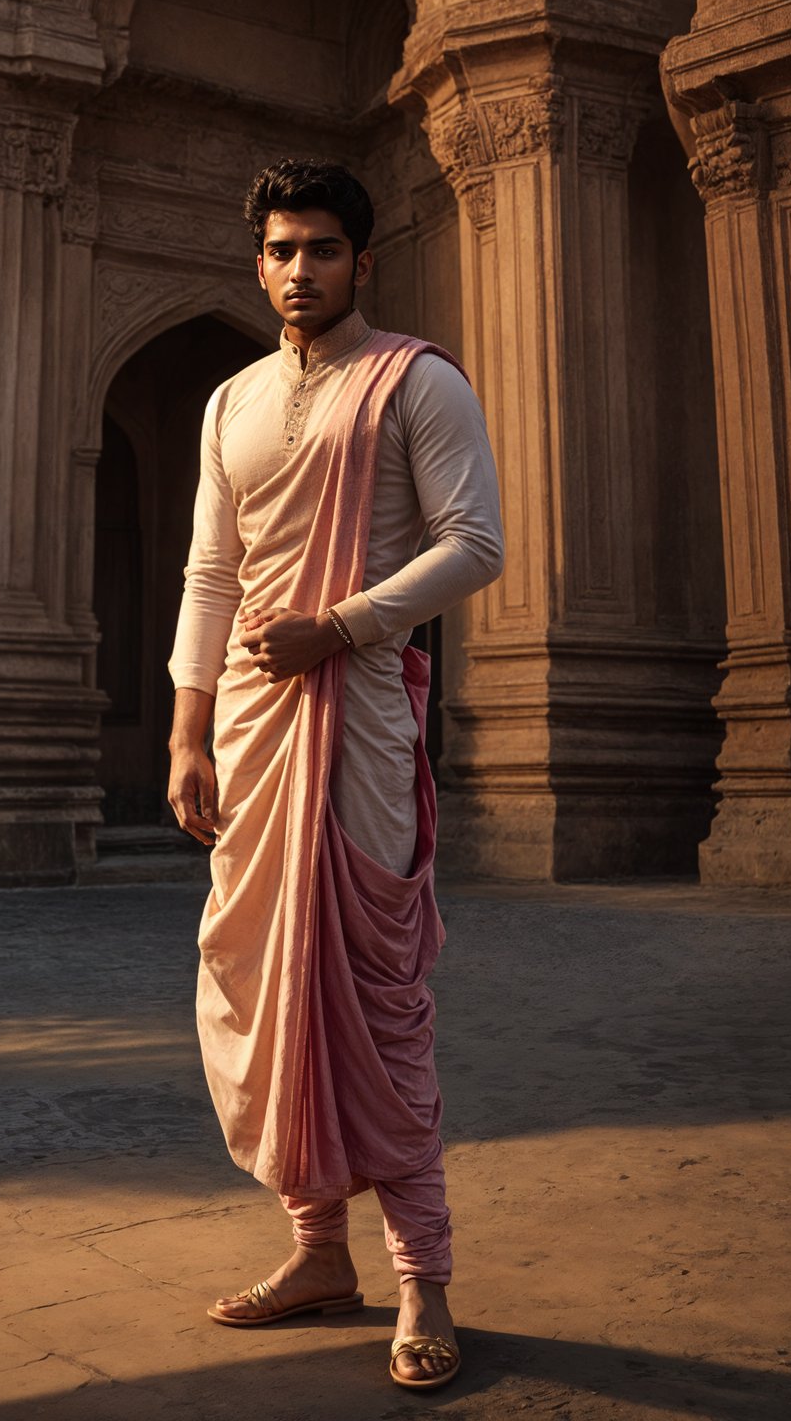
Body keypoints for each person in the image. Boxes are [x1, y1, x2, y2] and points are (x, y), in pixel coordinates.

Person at [167, 158, 503, 1391]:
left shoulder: (415, 383)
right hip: (253, 732)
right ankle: (318, 1254)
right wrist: (185, 729)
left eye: (320, 248)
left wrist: (346, 625)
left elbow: (476, 544)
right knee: (266, 983)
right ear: (255, 261)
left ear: (362, 259)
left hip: (357, 714)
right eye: (278, 249)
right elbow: (212, 575)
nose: (298, 270)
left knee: (373, 992)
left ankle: (423, 1279)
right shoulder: (231, 403)